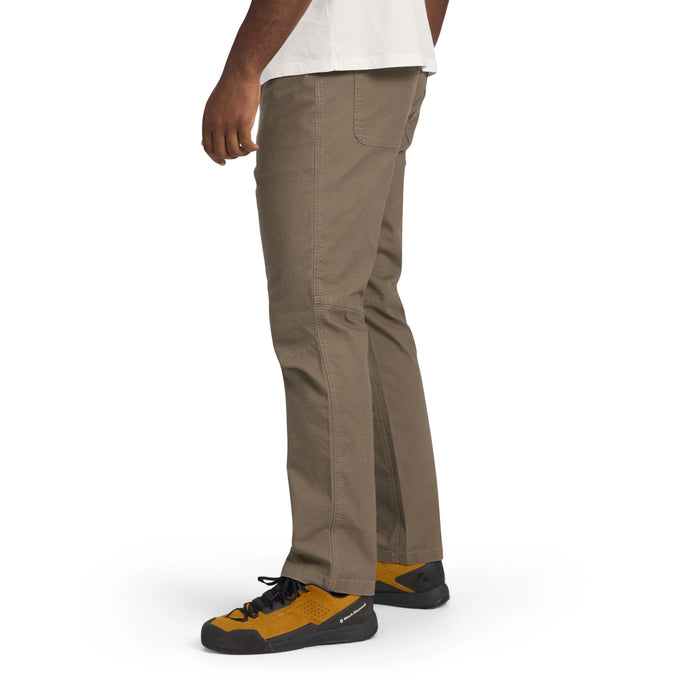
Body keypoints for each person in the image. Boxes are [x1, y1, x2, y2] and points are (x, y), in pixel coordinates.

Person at [200, 0, 450, 654]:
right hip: (392, 62)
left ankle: (330, 578)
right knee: (366, 299)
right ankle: (399, 552)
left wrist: (242, 69)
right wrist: (410, 46)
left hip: (328, 68)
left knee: (317, 311)